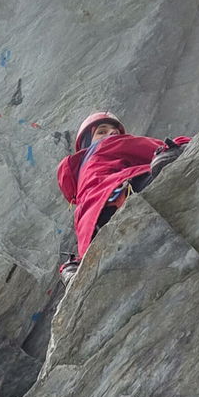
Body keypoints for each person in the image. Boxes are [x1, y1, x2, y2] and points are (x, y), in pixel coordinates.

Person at [55, 111, 190, 281]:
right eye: (102, 131)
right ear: (88, 141)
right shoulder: (108, 145)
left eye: (114, 131)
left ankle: (74, 268)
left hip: (92, 230)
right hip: (120, 194)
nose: (111, 134)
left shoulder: (80, 178)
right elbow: (148, 147)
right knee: (168, 155)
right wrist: (182, 144)